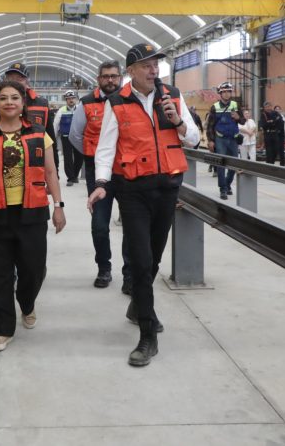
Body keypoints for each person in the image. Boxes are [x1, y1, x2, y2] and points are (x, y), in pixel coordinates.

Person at [88, 44, 200, 367]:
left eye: (156, 65)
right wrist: (100, 184)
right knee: (140, 258)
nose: (154, 70)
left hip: (166, 189)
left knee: (153, 255)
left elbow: (193, 139)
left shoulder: (173, 97)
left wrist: (178, 120)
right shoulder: (117, 102)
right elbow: (106, 148)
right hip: (133, 190)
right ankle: (147, 335)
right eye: (147, 65)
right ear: (131, 71)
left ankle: (138, 305)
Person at [0, 80, 66, 352]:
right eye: (3, 98)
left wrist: (58, 205)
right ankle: (2, 329)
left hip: (31, 212)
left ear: (23, 103)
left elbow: (51, 172)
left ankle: (27, 302)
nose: (9, 102)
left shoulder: (39, 134)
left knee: (34, 269)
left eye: (15, 98)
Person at [68, 60, 130, 291]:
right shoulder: (86, 103)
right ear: (98, 79)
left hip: (127, 170)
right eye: (106, 76)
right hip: (97, 172)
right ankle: (104, 268)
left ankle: (129, 273)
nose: (110, 80)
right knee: (100, 224)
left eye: (114, 76)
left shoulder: (130, 100)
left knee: (132, 225)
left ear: (121, 78)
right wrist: (94, 155)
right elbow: (75, 135)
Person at [4, 62, 59, 175]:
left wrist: (55, 171)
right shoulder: (0, 104)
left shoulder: (41, 104)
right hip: (9, 162)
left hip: (36, 162)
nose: (14, 83)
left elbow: (51, 139)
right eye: (11, 79)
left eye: (19, 79)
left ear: (27, 81)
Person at [205, 81, 241, 200]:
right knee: (221, 164)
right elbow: (210, 125)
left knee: (234, 164)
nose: (226, 94)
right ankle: (223, 189)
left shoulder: (235, 105)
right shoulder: (215, 107)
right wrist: (210, 140)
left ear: (231, 93)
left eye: (228, 92)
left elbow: (243, 121)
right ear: (220, 94)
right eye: (224, 92)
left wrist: (238, 117)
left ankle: (227, 183)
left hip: (233, 139)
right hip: (220, 139)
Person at [53, 90, 82, 186]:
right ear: (66, 100)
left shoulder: (80, 109)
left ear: (76, 99)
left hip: (78, 138)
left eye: (73, 98)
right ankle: (70, 178)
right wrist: (54, 137)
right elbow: (56, 124)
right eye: (69, 99)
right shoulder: (61, 110)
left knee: (79, 157)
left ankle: (75, 174)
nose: (71, 100)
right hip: (66, 138)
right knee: (68, 158)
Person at [259, 101, 285, 166]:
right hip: (268, 134)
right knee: (269, 151)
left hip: (275, 134)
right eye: (266, 107)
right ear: (264, 108)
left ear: (271, 106)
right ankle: (269, 164)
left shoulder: (276, 113)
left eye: (269, 106)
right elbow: (264, 125)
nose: (268, 108)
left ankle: (272, 162)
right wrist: (274, 122)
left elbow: (281, 122)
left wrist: (272, 122)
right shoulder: (263, 115)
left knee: (276, 150)